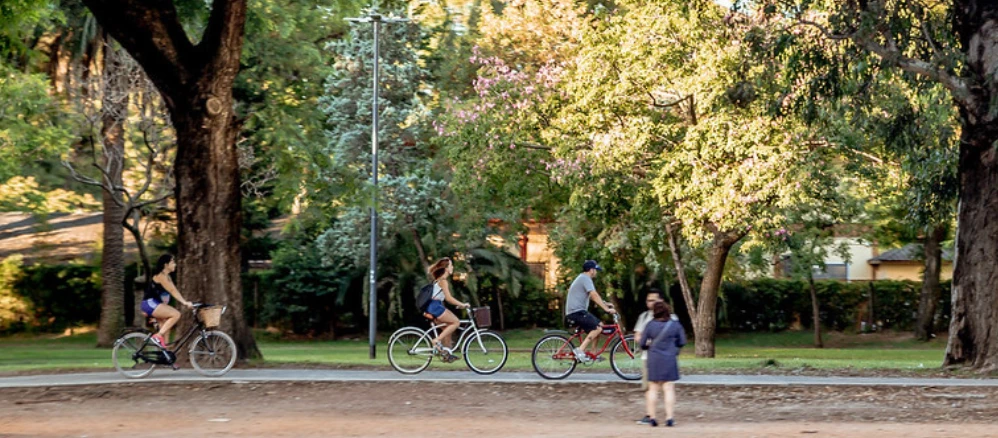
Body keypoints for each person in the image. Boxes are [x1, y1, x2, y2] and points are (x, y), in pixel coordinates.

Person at [641, 301, 687, 427]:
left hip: (654, 358)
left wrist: (649, 346)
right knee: (668, 388)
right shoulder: (675, 324)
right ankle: (669, 417)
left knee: (653, 388)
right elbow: (682, 341)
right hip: (670, 359)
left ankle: (653, 417)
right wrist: (674, 348)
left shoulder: (650, 325)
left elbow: (642, 343)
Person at [564, 260, 615, 363]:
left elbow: (592, 297)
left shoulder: (583, 278)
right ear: (591, 270)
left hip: (578, 311)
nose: (596, 272)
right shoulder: (585, 278)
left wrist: (605, 304)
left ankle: (593, 354)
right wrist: (606, 309)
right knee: (597, 328)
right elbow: (594, 295)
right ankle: (579, 351)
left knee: (599, 325)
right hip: (576, 312)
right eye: (596, 270)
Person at [423, 257, 470, 363]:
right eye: (451, 266)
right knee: (456, 322)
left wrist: (459, 305)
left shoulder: (438, 280)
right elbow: (449, 298)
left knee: (447, 329)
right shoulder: (443, 281)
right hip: (435, 307)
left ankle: (446, 354)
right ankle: (436, 340)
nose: (452, 267)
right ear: (446, 268)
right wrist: (462, 304)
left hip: (433, 306)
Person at [140, 254, 192, 347]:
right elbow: (172, 290)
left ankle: (164, 357)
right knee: (176, 314)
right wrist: (184, 302)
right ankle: (158, 336)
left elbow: (173, 290)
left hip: (155, 304)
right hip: (150, 303)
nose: (175, 264)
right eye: (172, 262)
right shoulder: (161, 276)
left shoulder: (167, 276)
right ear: (166, 265)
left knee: (166, 330)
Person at [633, 289, 664, 425]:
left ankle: (669, 416)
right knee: (648, 388)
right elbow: (637, 336)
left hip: (665, 358)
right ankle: (650, 415)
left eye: (653, 300)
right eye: (648, 300)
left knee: (667, 387)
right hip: (648, 357)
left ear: (661, 300)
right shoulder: (644, 317)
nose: (650, 303)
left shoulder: (670, 317)